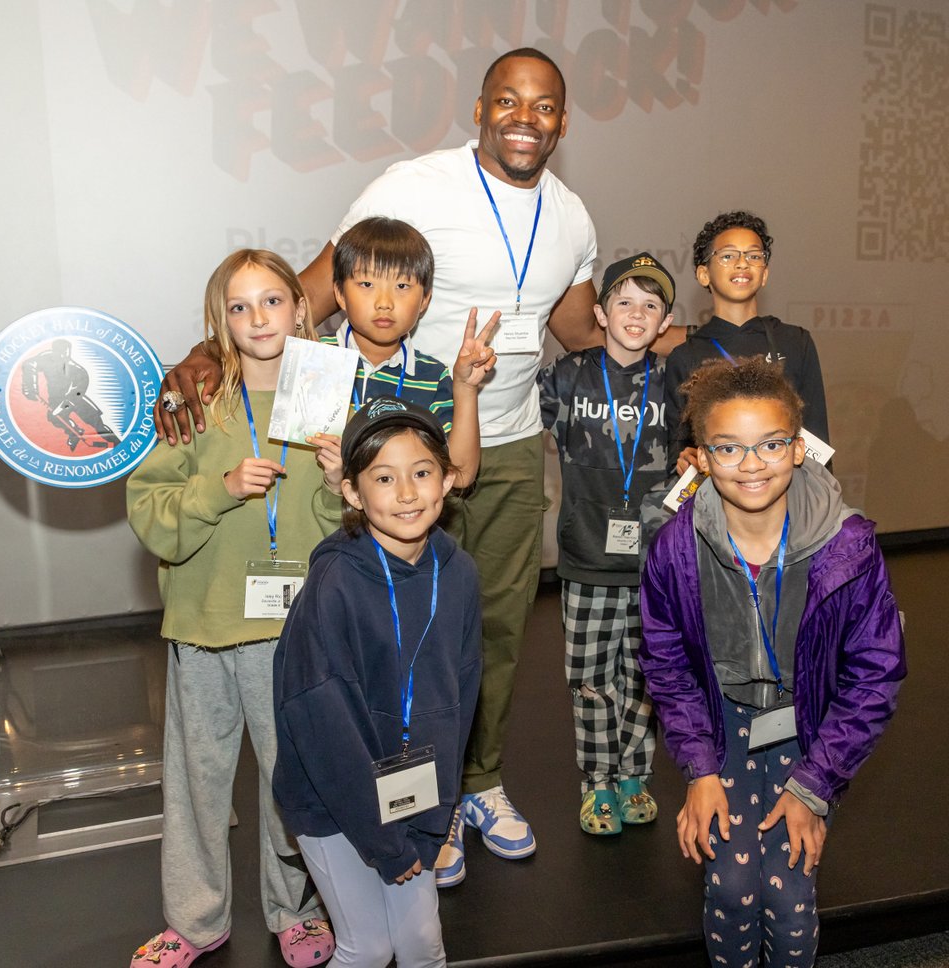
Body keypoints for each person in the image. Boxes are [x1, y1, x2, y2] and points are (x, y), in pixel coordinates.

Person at [155, 47, 603, 881]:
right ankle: (395, 796)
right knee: (389, 638)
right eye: (507, 100)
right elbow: (315, 294)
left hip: (498, 442)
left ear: (563, 123)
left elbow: (577, 329)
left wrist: (709, 340)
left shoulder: (573, 217)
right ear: (479, 109)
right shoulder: (412, 187)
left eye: (543, 107)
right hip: (393, 454)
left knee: (492, 629)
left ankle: (477, 786)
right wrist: (207, 351)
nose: (524, 118)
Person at [638, 356, 905, 967]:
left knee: (788, 899)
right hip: (723, 723)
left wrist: (814, 789)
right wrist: (700, 770)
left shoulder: (849, 545)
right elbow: (668, 664)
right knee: (731, 888)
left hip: (810, 727)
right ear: (700, 457)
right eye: (728, 449)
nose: (751, 464)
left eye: (770, 445)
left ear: (799, 450)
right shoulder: (676, 548)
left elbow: (874, 675)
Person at [125, 250, 337, 968]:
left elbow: (338, 526)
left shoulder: (324, 396)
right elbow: (149, 514)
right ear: (219, 320)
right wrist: (218, 487)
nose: (258, 319)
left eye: (272, 301)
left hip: (298, 631)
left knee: (293, 780)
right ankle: (195, 920)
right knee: (196, 782)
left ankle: (297, 909)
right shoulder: (195, 399)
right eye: (240, 307)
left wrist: (343, 484)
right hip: (207, 624)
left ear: (300, 309)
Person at [272, 398, 482, 965]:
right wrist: (386, 842)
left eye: (422, 473)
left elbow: (460, 701)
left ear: (449, 478)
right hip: (335, 801)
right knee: (367, 950)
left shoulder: (457, 572)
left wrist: (435, 818)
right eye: (384, 478)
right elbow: (324, 726)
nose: (408, 493)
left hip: (412, 798)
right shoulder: (334, 584)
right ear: (352, 492)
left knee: (420, 944)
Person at [537, 252, 674, 835]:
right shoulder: (568, 376)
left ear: (666, 322)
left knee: (644, 678)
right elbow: (513, 428)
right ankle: (597, 784)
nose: (636, 314)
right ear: (599, 311)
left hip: (656, 567)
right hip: (587, 561)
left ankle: (635, 775)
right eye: (624, 302)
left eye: (651, 305)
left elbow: (702, 454)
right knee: (592, 681)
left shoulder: (679, 382)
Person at [307, 216, 498, 494]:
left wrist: (466, 387)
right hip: (316, 525)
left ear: (425, 300)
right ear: (339, 293)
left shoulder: (431, 376)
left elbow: (460, 475)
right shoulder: (315, 359)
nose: (384, 302)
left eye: (402, 286)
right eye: (366, 284)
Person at [662, 211, 829, 473]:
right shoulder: (684, 357)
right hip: (717, 501)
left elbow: (818, 440)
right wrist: (684, 460)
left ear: (764, 274)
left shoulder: (795, 342)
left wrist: (821, 508)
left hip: (790, 500)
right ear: (704, 274)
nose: (742, 264)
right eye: (728, 256)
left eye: (753, 256)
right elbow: (678, 449)